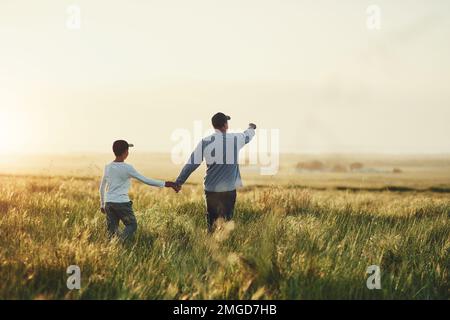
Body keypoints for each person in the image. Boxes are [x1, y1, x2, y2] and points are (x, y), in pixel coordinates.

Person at [175, 112, 256, 232]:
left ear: (214, 125)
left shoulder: (205, 142)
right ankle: (224, 247)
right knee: (227, 224)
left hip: (211, 189)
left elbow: (191, 164)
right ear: (225, 125)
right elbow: (247, 135)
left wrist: (179, 182)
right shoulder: (235, 139)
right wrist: (251, 127)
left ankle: (209, 247)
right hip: (228, 190)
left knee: (211, 224)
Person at [99, 140, 179, 240]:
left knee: (112, 231)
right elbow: (145, 180)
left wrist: (102, 204)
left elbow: (102, 187)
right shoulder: (127, 168)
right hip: (122, 203)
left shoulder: (107, 167)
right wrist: (166, 184)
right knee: (132, 225)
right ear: (125, 153)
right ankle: (120, 242)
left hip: (109, 203)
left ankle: (112, 248)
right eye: (127, 150)